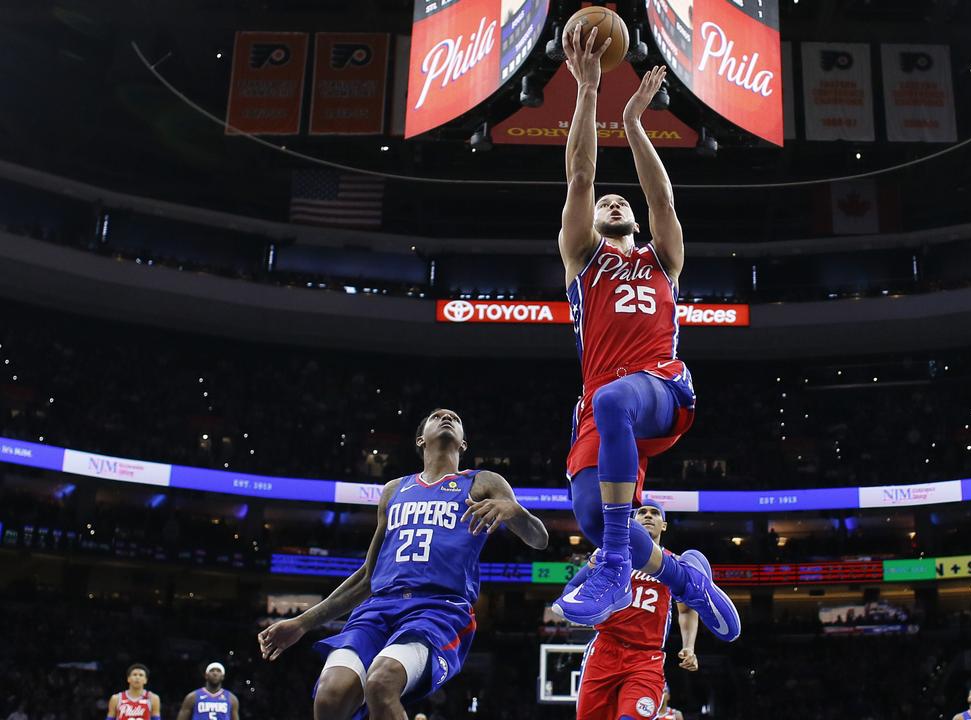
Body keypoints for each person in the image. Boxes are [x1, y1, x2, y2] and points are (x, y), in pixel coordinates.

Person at [550, 19, 739, 644]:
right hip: (600, 399)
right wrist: (586, 91)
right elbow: (580, 175)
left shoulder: (662, 259)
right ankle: (686, 579)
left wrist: (633, 124)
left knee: (612, 402)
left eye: (619, 203)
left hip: (660, 385)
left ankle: (610, 568)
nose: (612, 202)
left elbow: (664, 200)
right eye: (607, 202)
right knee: (588, 511)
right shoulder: (584, 260)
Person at [257, 409, 550, 720]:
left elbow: (539, 539)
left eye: (456, 418)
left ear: (464, 444)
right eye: (437, 416)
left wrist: (514, 510)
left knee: (381, 684)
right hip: (379, 608)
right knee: (330, 697)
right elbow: (368, 577)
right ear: (420, 439)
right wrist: (302, 623)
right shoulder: (394, 490)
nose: (447, 416)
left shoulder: (483, 481)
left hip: (438, 609)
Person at [572, 502, 699, 720]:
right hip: (605, 649)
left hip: (645, 657)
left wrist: (689, 646)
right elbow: (576, 588)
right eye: (642, 512)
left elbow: (687, 609)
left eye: (655, 513)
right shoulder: (609, 555)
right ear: (633, 521)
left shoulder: (675, 563)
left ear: (664, 525)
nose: (648, 516)